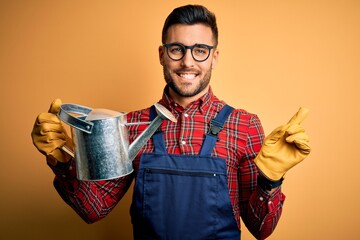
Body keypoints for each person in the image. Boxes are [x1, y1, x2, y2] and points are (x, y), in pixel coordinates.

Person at [31, 4, 310, 240]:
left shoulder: (243, 125)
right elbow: (94, 210)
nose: (187, 62)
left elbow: (261, 229)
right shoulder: (131, 125)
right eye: (177, 49)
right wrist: (63, 160)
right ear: (162, 55)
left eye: (200, 50)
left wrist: (270, 181)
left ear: (214, 57)